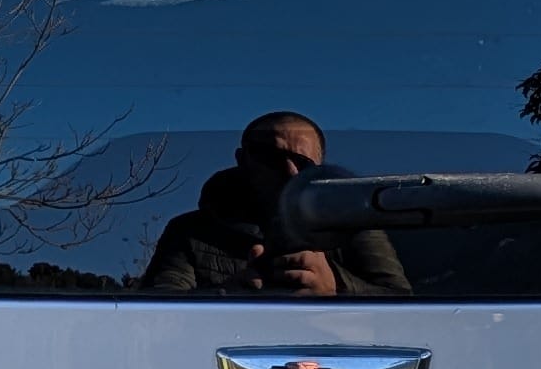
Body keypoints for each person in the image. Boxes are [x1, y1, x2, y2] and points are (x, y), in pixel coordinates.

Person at [137, 111, 412, 301]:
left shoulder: (352, 228)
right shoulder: (190, 232)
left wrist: (334, 286)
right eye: (272, 157)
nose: (290, 172)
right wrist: (228, 296)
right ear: (242, 159)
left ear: (319, 170)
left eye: (303, 163)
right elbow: (158, 311)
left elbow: (402, 302)